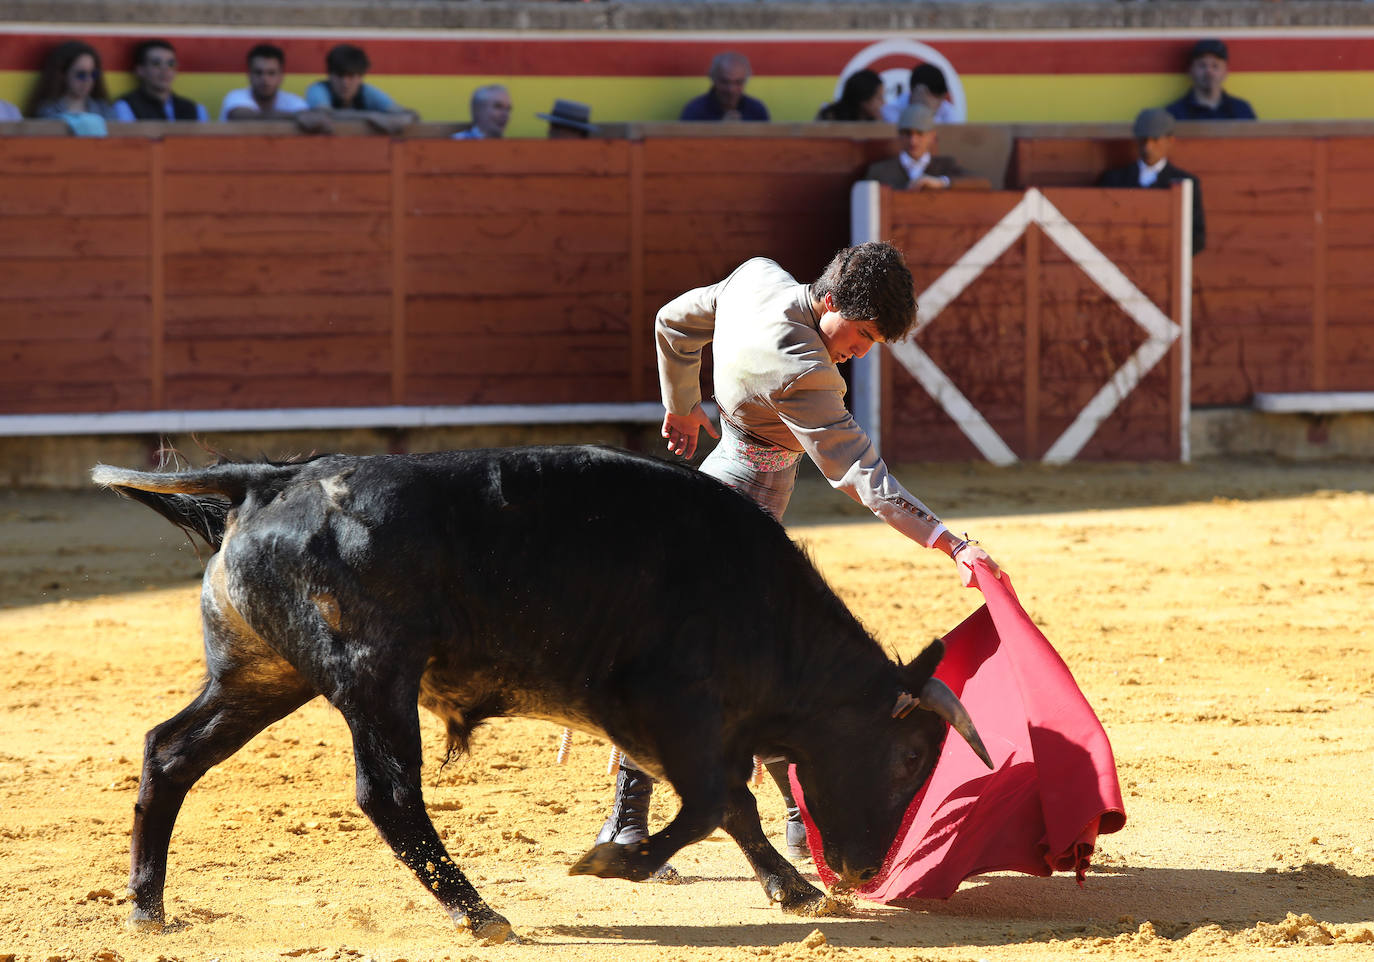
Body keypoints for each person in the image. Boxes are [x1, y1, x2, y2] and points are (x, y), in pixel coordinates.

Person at [594, 242, 1001, 866]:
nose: (861, 351)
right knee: (750, 666)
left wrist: (679, 404)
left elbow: (673, 323)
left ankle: (639, 822)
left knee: (725, 656)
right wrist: (951, 542)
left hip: (717, 486)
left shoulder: (756, 279)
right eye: (861, 334)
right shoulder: (804, 366)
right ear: (830, 300)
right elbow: (864, 475)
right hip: (741, 514)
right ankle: (681, 820)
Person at [1099, 108, 1206, 254]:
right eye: (1143, 140)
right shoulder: (1113, 179)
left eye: (1155, 140)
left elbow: (1197, 238)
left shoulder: (1188, 182)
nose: (1148, 147)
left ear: (1170, 141)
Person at [304, 43, 418, 134]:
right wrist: (369, 116)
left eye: (351, 76)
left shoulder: (367, 92)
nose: (345, 83)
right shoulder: (318, 89)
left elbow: (407, 114)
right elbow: (323, 114)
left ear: (360, 77)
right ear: (329, 75)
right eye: (340, 76)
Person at [220, 43, 330, 133]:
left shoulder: (294, 101)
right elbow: (241, 116)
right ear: (249, 75)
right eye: (258, 73)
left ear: (281, 76)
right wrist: (295, 117)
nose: (264, 79)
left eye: (271, 73)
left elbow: (308, 120)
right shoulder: (235, 96)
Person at [863, 104, 969, 190]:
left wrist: (942, 182)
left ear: (932, 136)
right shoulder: (879, 171)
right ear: (899, 135)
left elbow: (979, 182)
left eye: (920, 134)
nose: (913, 141)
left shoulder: (946, 165)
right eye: (907, 133)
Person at [26, 40, 119, 135]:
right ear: (63, 74)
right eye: (81, 75)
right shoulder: (48, 110)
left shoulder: (104, 109)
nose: (88, 80)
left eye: (94, 74)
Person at [113, 39, 207, 122]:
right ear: (140, 70)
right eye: (156, 63)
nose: (165, 70)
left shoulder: (195, 109)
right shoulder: (125, 106)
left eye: (170, 64)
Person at [1165, 38, 1256, 121]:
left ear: (1225, 72)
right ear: (1191, 70)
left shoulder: (1242, 111)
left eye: (1215, 66)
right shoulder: (1173, 114)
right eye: (1202, 65)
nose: (1209, 71)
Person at [679, 51, 769, 122]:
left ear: (746, 81)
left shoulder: (757, 110)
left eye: (738, 82)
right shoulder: (695, 111)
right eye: (725, 82)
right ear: (713, 78)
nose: (731, 89)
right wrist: (721, 129)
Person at [881, 62, 958, 125]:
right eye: (925, 95)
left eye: (941, 98)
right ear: (913, 91)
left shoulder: (948, 111)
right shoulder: (891, 110)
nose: (938, 103)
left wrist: (928, 112)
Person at [816, 69, 885, 122]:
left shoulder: (878, 121)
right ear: (863, 99)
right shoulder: (830, 118)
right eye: (879, 98)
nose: (883, 103)